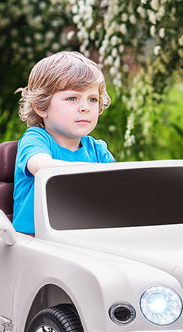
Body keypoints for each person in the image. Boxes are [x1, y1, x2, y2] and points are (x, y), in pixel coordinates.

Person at [12, 51, 115, 234]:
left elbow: (119, 186)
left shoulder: (98, 150)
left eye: (92, 99)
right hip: (34, 241)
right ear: (41, 107)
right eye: (72, 98)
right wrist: (93, 173)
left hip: (83, 236)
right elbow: (42, 166)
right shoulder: (36, 139)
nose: (85, 107)